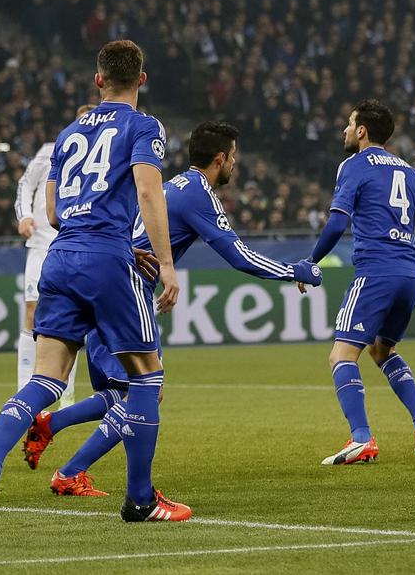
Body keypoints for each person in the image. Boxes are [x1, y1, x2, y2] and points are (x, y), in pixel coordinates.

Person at [19, 121, 323, 496]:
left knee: (122, 393)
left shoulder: (171, 184)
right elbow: (239, 256)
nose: (235, 165)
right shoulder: (198, 192)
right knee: (145, 391)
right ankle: (78, 474)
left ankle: (53, 428)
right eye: (233, 158)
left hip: (105, 282)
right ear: (220, 158)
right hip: (123, 293)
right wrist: (296, 270)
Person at [0, 40, 185, 532]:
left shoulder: (67, 135)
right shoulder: (144, 126)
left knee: (46, 380)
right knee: (147, 378)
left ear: (97, 80)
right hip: (107, 257)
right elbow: (149, 191)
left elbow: (56, 213)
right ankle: (140, 499)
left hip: (60, 258)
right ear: (142, 80)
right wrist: (166, 264)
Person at [307, 100, 415, 465]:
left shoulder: (353, 165)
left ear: (362, 131)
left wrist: (310, 261)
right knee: (382, 350)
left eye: (348, 122)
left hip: (375, 272)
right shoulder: (410, 171)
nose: (344, 129)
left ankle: (361, 438)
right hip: (411, 274)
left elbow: (337, 223)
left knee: (341, 354)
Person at [13, 106, 98, 406]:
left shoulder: (103, 158)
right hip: (41, 242)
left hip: (75, 241)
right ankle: (25, 386)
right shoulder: (52, 149)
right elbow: (26, 183)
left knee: (72, 317)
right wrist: (24, 216)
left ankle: (67, 392)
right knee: (32, 312)